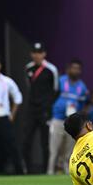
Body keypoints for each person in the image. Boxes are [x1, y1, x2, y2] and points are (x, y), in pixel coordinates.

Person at [48, 59, 88, 175]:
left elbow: (85, 103)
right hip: (57, 119)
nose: (75, 71)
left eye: (78, 69)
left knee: (69, 149)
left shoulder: (82, 86)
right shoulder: (61, 81)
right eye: (73, 68)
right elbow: (51, 96)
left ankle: (68, 172)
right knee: (54, 149)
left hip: (71, 122)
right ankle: (50, 171)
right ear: (68, 69)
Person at [23, 43, 58, 174]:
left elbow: (55, 90)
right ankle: (28, 170)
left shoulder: (51, 69)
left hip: (45, 111)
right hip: (31, 110)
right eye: (34, 52)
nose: (37, 55)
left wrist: (47, 106)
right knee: (27, 140)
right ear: (31, 54)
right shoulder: (28, 68)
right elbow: (29, 87)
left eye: (39, 52)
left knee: (45, 142)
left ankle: (45, 170)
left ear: (44, 54)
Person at [0, 56, 24, 175]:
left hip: (5, 117)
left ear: (0, 66)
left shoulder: (7, 81)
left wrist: (12, 114)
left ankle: (19, 171)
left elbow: (18, 97)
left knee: (12, 144)